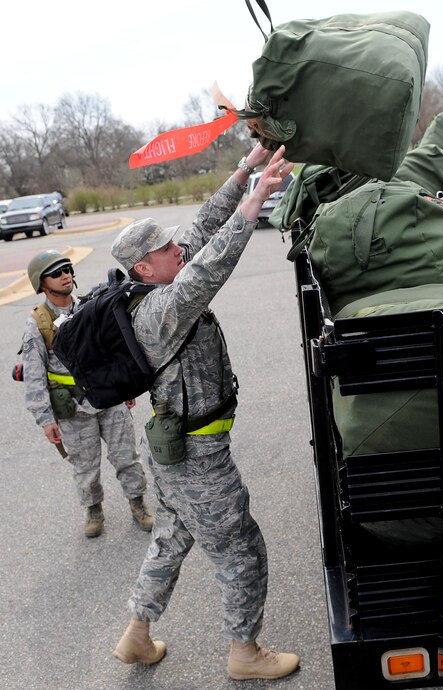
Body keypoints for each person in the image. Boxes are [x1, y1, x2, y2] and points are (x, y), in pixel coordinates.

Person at [111, 144, 300, 681]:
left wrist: (245, 167)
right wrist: (256, 201)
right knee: (241, 549)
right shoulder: (160, 308)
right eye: (167, 249)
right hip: (197, 457)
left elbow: (203, 228)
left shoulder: (158, 277)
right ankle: (245, 653)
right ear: (144, 266)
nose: (180, 249)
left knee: (172, 534)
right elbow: (212, 265)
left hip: (175, 451)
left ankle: (137, 635)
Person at [21, 249, 154, 538]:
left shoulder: (88, 307)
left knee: (126, 457)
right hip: (74, 409)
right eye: (56, 273)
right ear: (42, 283)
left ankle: (138, 504)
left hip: (108, 398)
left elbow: (110, 349)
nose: (65, 275)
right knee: (85, 466)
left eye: (67, 269)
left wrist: (124, 386)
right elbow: (33, 375)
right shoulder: (38, 323)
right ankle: (93, 510)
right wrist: (45, 419)